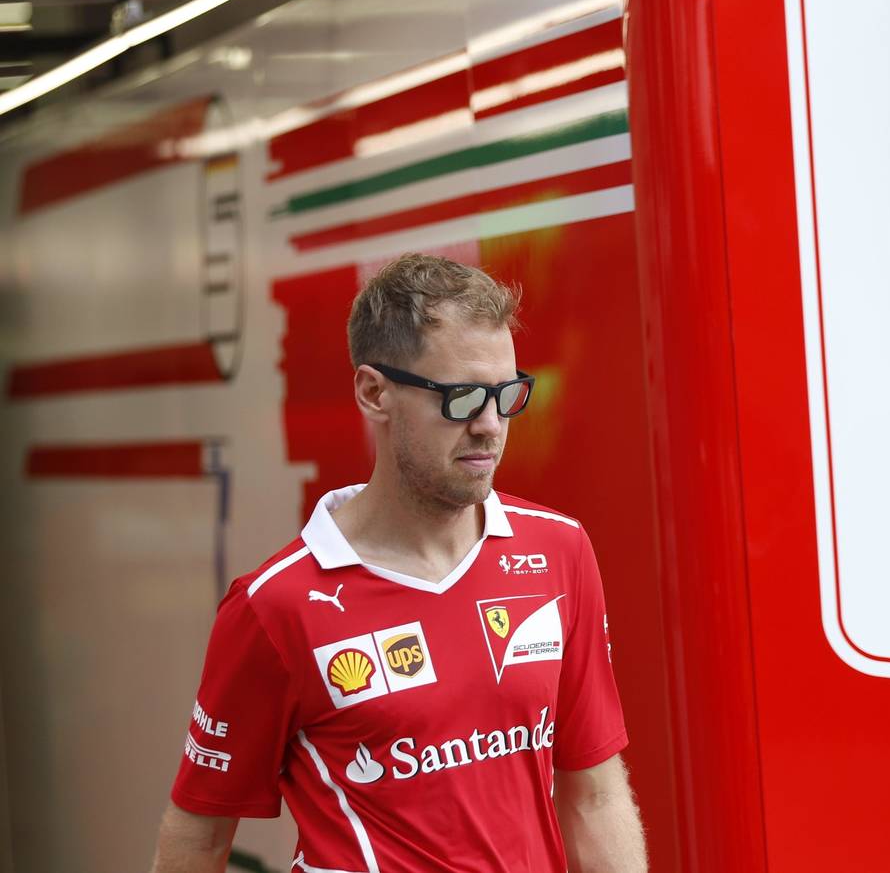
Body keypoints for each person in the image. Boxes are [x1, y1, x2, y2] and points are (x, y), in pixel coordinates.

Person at [151, 254, 647, 873]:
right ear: (374, 392)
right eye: (463, 398)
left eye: (506, 395)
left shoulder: (558, 551)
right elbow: (199, 836)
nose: (490, 426)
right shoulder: (275, 606)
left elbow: (595, 795)